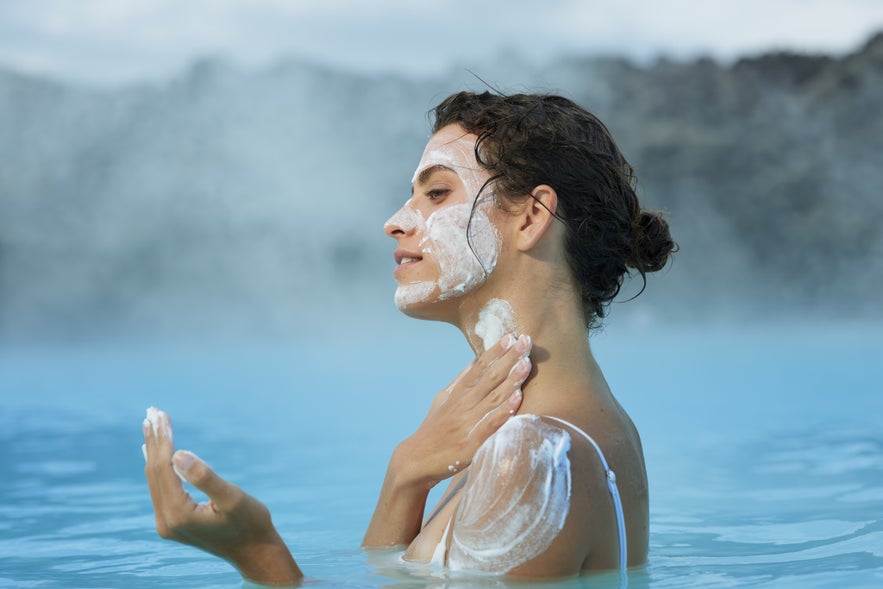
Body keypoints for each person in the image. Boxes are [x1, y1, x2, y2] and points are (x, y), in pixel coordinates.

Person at [142, 90, 676, 585]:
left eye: (437, 192)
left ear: (532, 217)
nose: (396, 222)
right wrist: (406, 476)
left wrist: (257, 554)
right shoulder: (561, 428)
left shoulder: (533, 456)